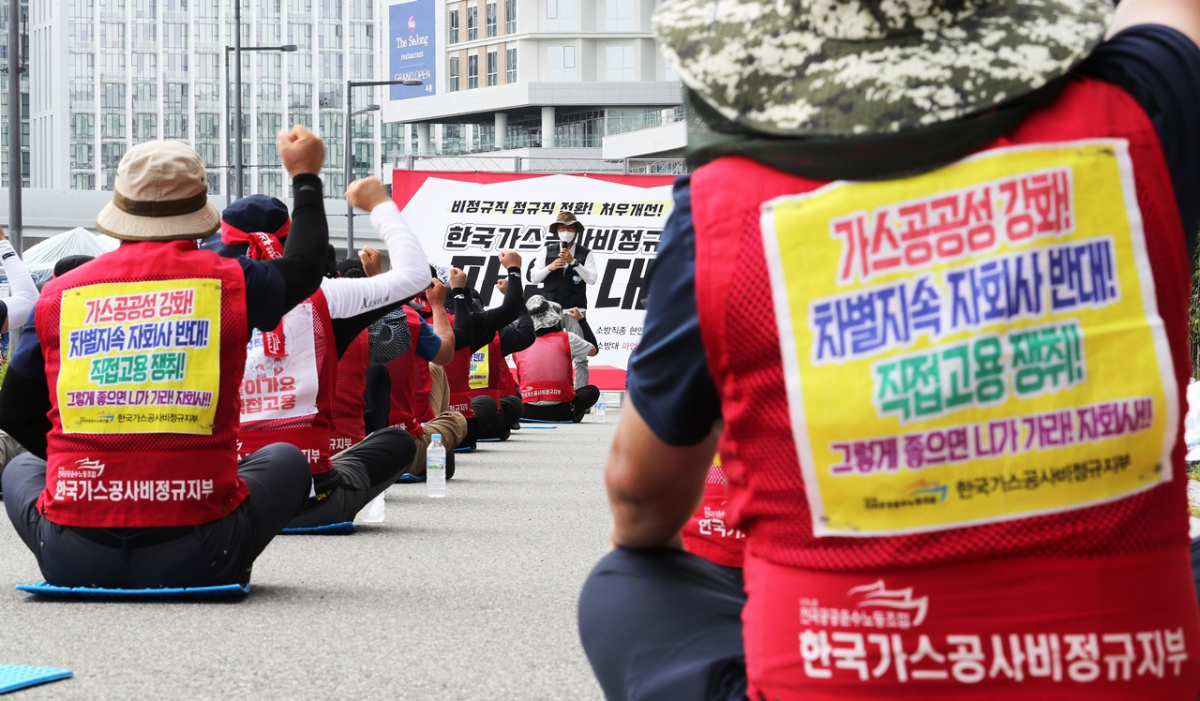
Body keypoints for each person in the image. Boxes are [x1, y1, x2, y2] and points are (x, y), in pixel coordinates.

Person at [579, 1, 1200, 699]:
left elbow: (639, 498)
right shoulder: (1144, 110)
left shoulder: (720, 203)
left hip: (842, 676)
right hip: (1123, 672)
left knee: (626, 578)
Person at [0, 128, 328, 587]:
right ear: (199, 210)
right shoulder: (232, 281)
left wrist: (97, 473)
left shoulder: (57, 294)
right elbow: (308, 265)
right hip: (204, 552)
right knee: (287, 459)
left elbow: (14, 412)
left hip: (71, 554)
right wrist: (305, 176)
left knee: (20, 467)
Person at [215, 177, 428, 528]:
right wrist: (379, 205)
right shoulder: (327, 296)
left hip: (223, 499)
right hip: (312, 499)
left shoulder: (195, 296)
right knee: (397, 441)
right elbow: (416, 275)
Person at [443, 252, 531, 450]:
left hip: (423, 428)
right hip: (465, 425)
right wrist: (514, 271)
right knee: (499, 403)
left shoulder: (411, 325)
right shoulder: (486, 329)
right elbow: (523, 328)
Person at [514, 295, 599, 423]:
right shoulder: (568, 338)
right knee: (592, 391)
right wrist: (582, 320)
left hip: (526, 411)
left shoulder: (520, 341)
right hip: (562, 412)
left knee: (511, 390)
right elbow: (594, 350)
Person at [472, 274, 535, 441]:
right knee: (514, 402)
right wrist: (518, 299)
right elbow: (527, 334)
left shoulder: (434, 330)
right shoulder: (497, 333)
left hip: (445, 421)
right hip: (491, 419)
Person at [530, 211, 597, 312]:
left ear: (575, 230)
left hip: (576, 309)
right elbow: (534, 278)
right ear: (557, 230)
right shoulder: (547, 251)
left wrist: (573, 262)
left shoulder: (585, 253)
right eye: (562, 227)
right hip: (551, 310)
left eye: (570, 227)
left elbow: (592, 279)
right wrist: (549, 267)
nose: (566, 231)